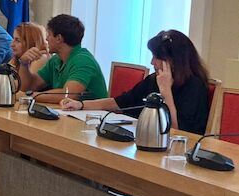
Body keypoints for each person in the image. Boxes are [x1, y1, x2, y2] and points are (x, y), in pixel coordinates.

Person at [61, 30, 209, 134]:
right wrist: (80, 105)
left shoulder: (194, 86)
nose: (152, 62)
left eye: (157, 57)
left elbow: (177, 132)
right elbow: (119, 102)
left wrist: (166, 92)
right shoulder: (153, 79)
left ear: (173, 60)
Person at [18, 14, 108, 103]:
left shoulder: (84, 61)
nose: (46, 39)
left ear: (59, 38)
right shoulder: (56, 60)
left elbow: (68, 95)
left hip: (93, 112)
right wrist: (24, 64)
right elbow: (30, 86)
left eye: (49, 34)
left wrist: (29, 96)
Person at [0, 22, 50, 88]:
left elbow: (24, 85)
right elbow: (1, 75)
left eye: (18, 40)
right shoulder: (17, 57)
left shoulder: (41, 58)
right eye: (13, 39)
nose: (12, 44)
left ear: (30, 42)